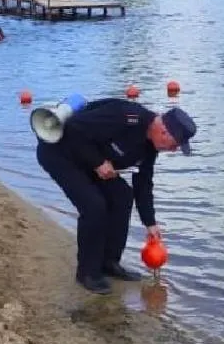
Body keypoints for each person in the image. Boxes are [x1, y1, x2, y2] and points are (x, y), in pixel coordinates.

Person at [36, 98, 197, 295]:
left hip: (89, 163)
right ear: (164, 132)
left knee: (123, 196)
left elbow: (143, 184)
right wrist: (98, 162)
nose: (173, 150)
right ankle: (87, 273)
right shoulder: (126, 116)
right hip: (59, 153)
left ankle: (109, 263)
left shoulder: (150, 148)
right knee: (94, 206)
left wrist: (150, 223)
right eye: (175, 145)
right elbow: (73, 130)